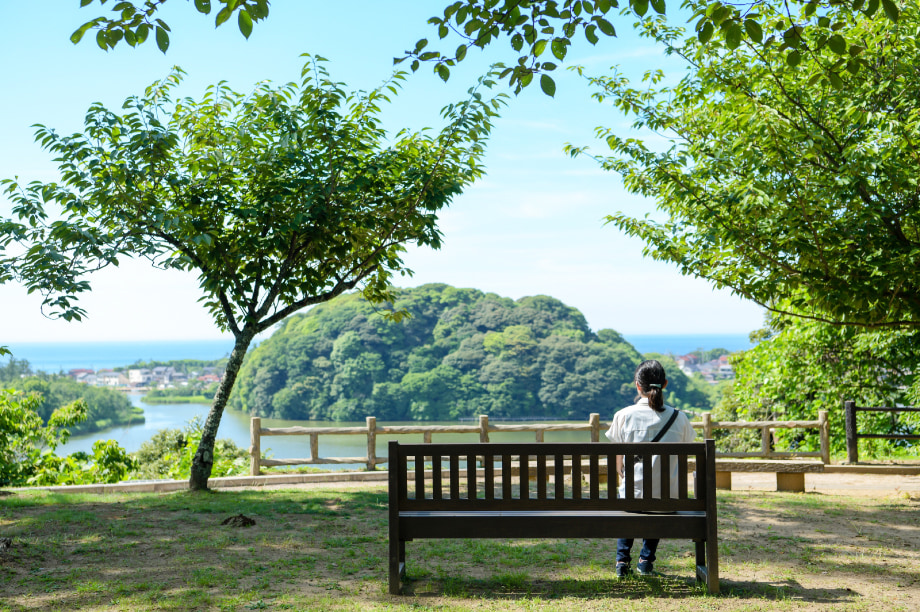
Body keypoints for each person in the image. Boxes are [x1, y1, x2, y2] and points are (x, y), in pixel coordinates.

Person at [605, 359, 696, 578]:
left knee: (631, 493)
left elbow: (618, 465)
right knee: (658, 490)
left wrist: (625, 474)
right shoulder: (680, 418)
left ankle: (621, 562)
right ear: (664, 384)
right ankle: (645, 561)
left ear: (638, 385)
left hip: (631, 499)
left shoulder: (623, 416)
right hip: (667, 501)